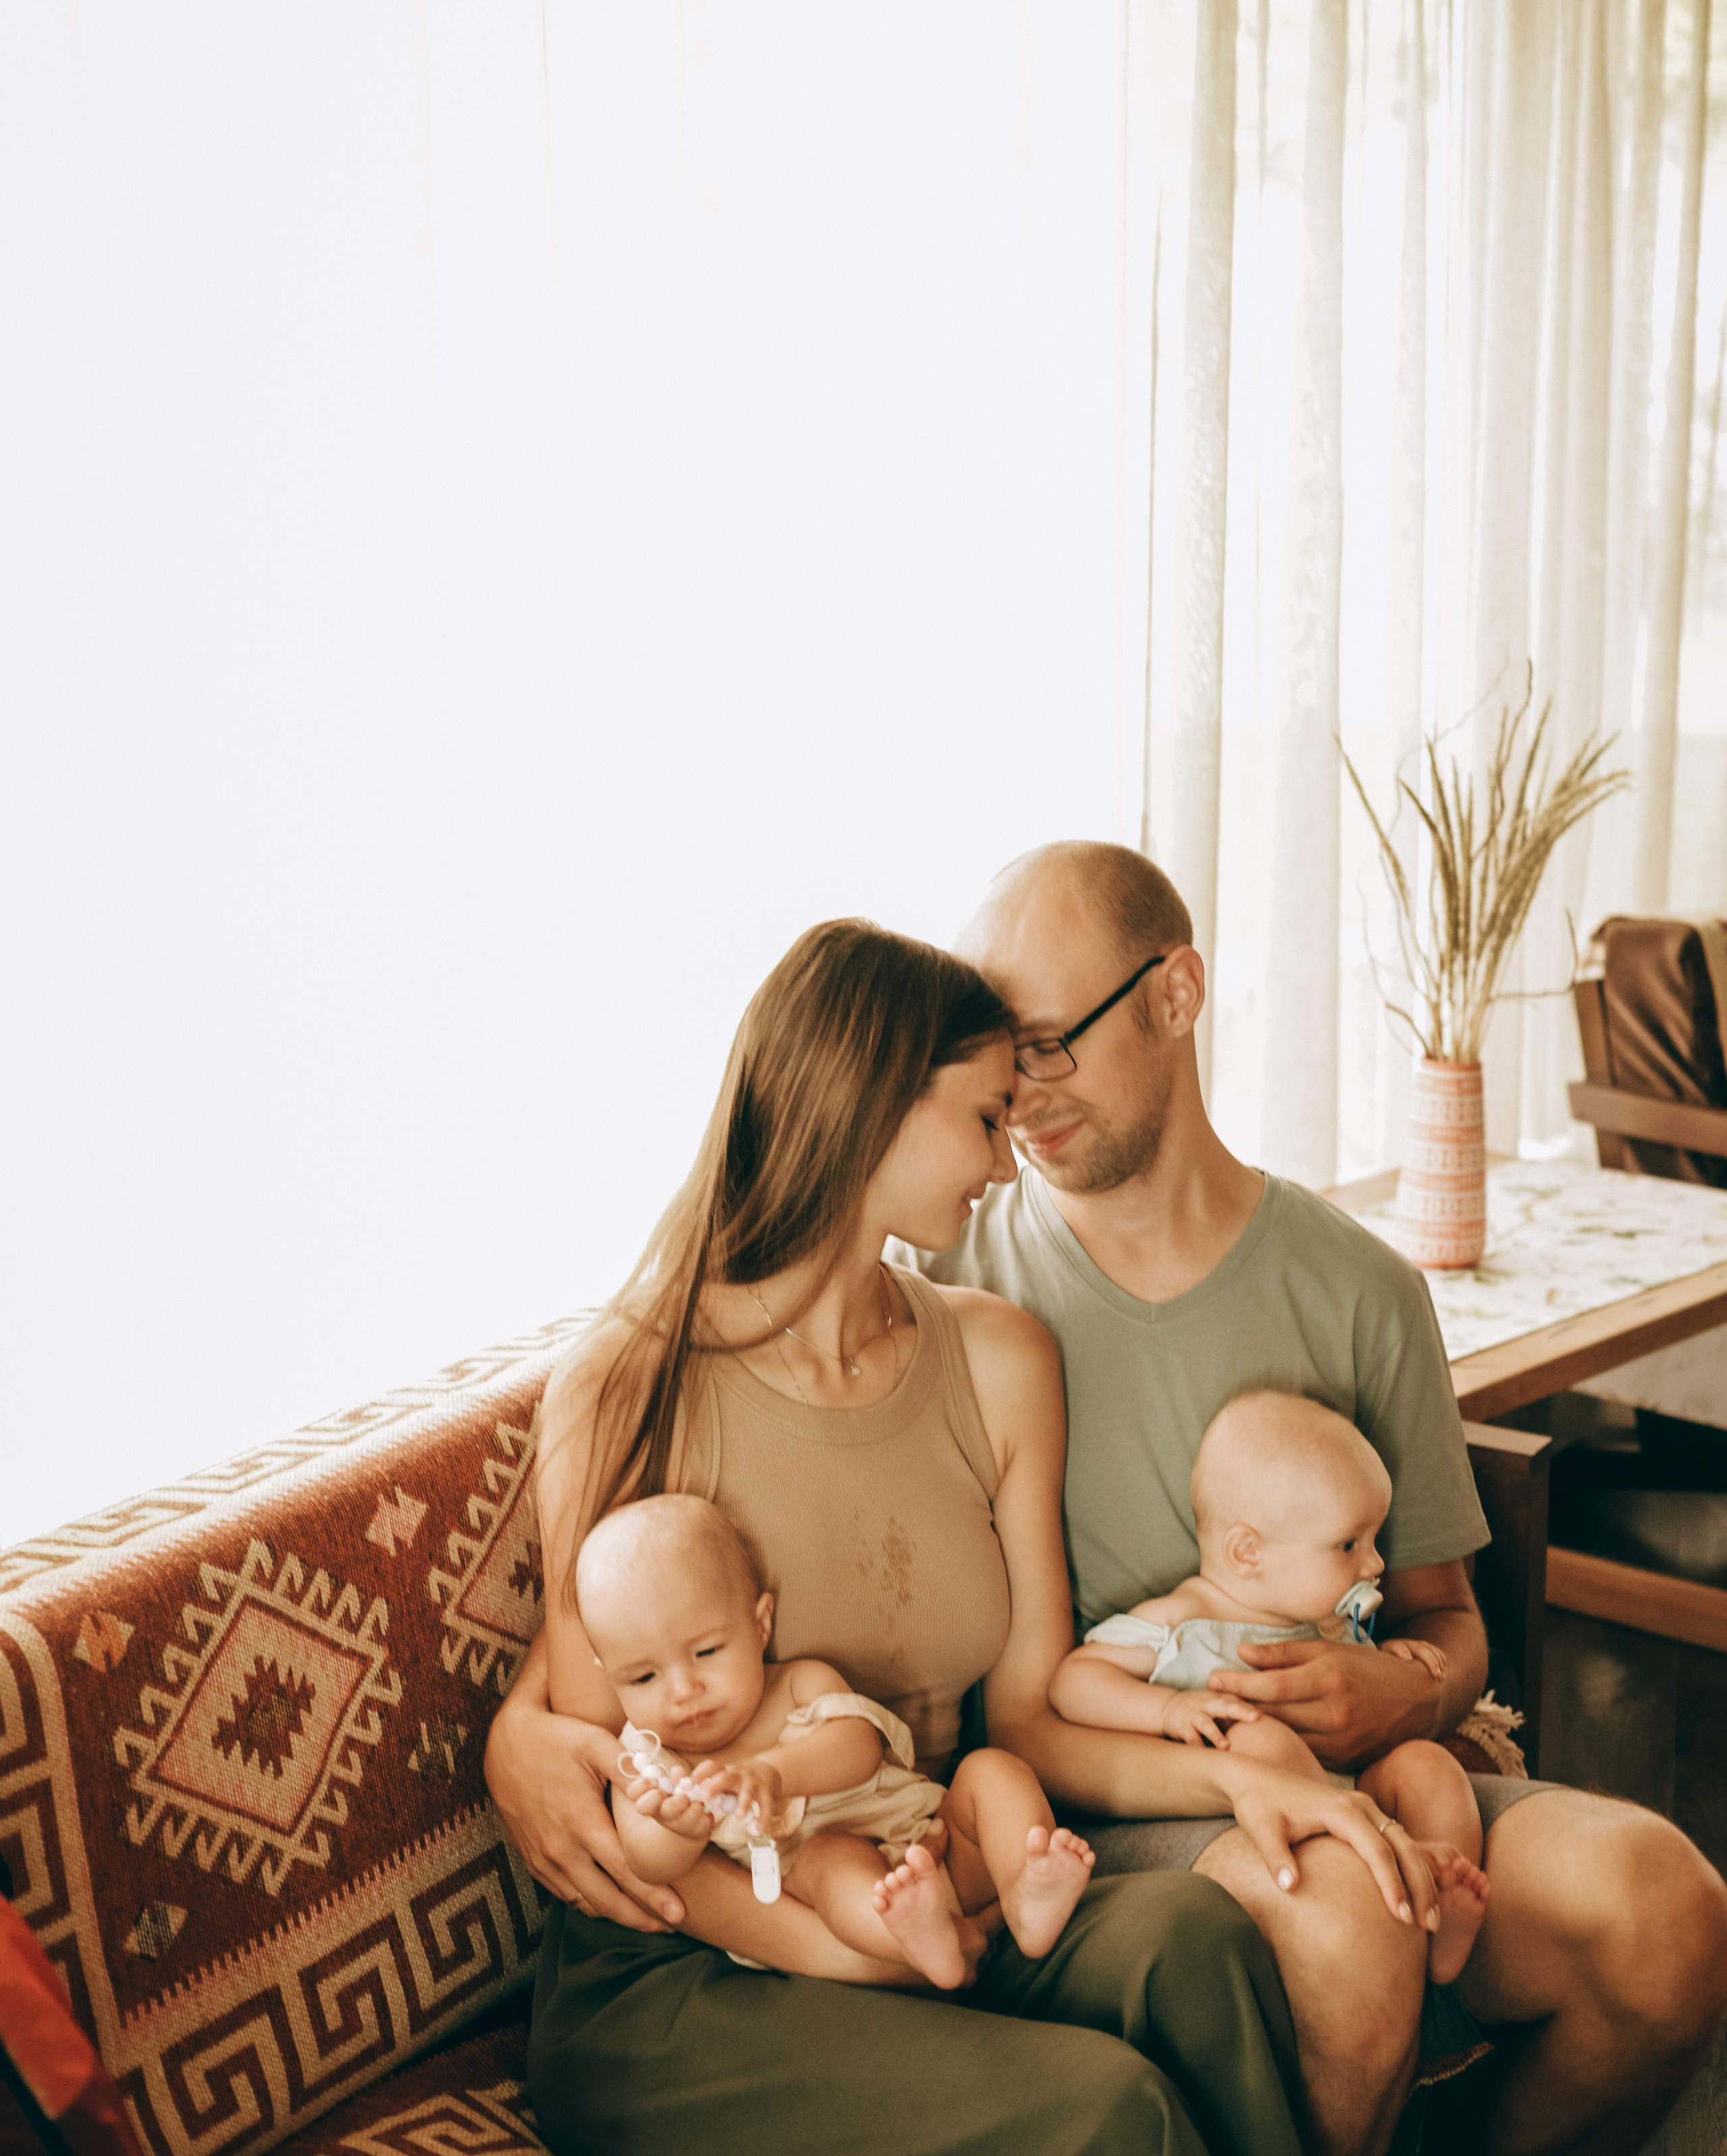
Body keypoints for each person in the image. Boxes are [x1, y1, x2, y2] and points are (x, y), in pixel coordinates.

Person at [503, 918, 1440, 2156]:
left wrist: (1240, 1777)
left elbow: (1035, 1719)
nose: (1008, 1162)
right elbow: (622, 1802)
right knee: (1109, 2110)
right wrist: (853, 1955)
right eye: (987, 1118)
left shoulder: (998, 1360)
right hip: (694, 1964)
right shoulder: (628, 1381)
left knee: (1195, 1940)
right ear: (874, 1105)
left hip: (926, 1884)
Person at [904, 837, 1727, 2156]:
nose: (1022, 1095)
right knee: (1347, 1916)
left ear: (1175, 995)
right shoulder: (953, 1273)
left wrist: (1407, 1692)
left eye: (1050, 1044)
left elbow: (1448, 1625)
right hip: (1097, 1825)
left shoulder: (1360, 1289)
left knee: (1669, 1912)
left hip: (1365, 1781)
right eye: (1003, 1057)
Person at [1052, 1389, 1490, 1986]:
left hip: (1354, 1786)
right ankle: (1394, 1869)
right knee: (1258, 1739)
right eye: (1349, 1545)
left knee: (1429, 1767)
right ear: (1247, 1551)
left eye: (1373, 1541)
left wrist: (1389, 1658)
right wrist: (1168, 1708)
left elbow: (1365, 1699)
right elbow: (1073, 1682)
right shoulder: (1180, 1623)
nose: (1375, 1565)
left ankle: (1438, 1916)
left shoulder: (1331, 1618)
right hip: (1246, 1811)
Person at [582, 1491, 1097, 1989]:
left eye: (707, 1652)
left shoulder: (799, 1684)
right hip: (854, 1911)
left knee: (992, 1770)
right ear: (609, 1674)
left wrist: (773, 1773)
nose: (683, 1691)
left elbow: (859, 1749)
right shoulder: (648, 1759)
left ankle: (1026, 1890)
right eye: (643, 1677)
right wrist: (680, 1832)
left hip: (940, 1844)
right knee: (829, 1858)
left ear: (760, 1624)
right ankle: (917, 1941)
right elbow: (645, 1862)